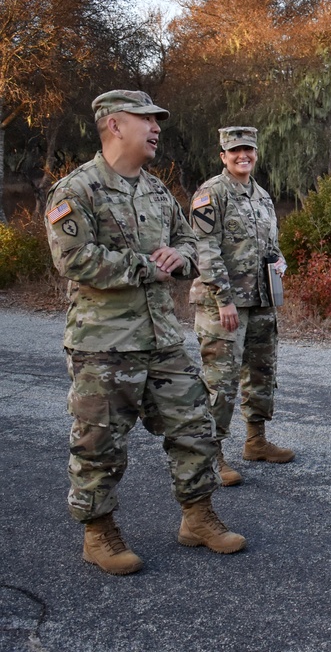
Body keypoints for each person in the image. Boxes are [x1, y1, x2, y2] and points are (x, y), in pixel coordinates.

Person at [44, 90, 245, 576]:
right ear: (114, 125)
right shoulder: (77, 190)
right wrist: (145, 268)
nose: (156, 128)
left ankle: (197, 518)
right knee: (100, 443)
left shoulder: (156, 192)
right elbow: (73, 258)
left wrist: (183, 259)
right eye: (146, 120)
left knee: (194, 426)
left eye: (157, 120)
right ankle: (99, 533)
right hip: (104, 343)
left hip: (163, 339)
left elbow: (191, 244)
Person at [190, 126, 293, 487]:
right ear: (223, 156)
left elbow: (270, 245)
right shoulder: (210, 194)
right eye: (234, 151)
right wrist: (224, 300)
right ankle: (212, 456)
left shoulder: (262, 196)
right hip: (225, 306)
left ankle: (256, 441)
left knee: (262, 373)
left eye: (247, 149)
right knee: (221, 382)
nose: (242, 156)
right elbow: (206, 250)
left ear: (255, 153)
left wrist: (279, 263)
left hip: (261, 300)